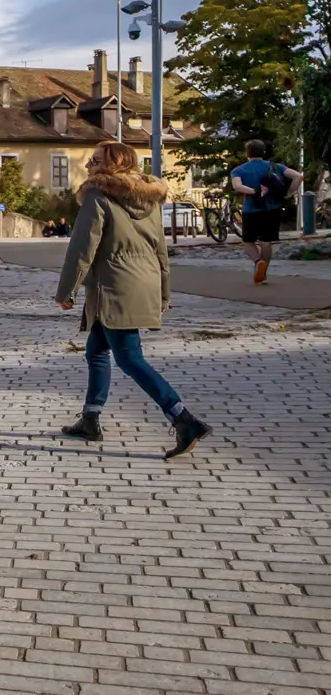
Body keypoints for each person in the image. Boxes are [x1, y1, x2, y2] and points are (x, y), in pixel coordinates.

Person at [55, 140, 211, 459]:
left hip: (114, 286)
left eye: (95, 160)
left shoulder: (97, 196)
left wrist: (67, 291)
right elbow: (161, 250)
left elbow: (82, 248)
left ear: (112, 166)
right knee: (97, 350)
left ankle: (183, 419)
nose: (88, 166)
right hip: (143, 281)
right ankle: (90, 418)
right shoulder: (149, 199)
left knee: (129, 358)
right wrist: (163, 292)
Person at [230, 138, 301, 284]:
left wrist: (254, 191)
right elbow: (298, 176)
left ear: (247, 153)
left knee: (248, 241)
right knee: (266, 241)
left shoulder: (239, 170)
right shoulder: (276, 166)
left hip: (251, 209)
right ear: (263, 152)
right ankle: (264, 271)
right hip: (272, 209)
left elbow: (237, 186)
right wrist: (290, 192)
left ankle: (257, 263)